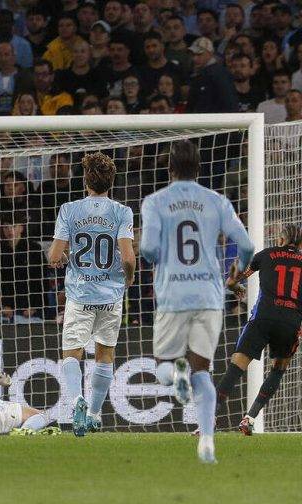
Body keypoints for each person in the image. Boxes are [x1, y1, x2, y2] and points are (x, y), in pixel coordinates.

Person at [140, 140, 254, 464]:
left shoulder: (155, 202)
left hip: (173, 295)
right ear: (200, 169)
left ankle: (178, 375)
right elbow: (246, 243)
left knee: (164, 365)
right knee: (202, 369)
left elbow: (148, 248)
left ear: (169, 168)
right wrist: (239, 267)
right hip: (209, 294)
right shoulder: (216, 201)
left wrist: (161, 256)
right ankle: (206, 441)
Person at [47, 152, 136, 437]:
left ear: (86, 181)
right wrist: (129, 279)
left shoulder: (69, 210)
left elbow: (54, 256)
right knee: (105, 354)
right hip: (111, 297)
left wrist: (65, 257)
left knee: (72, 353)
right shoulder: (122, 212)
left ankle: (76, 403)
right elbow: (129, 259)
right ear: (111, 182)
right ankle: (95, 415)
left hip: (80, 295)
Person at [215, 224, 302, 435]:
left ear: (281, 240)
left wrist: (236, 288)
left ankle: (209, 419)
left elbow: (233, 280)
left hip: (263, 317)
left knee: (236, 366)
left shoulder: (266, 254)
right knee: (278, 369)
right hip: (291, 322)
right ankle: (250, 418)